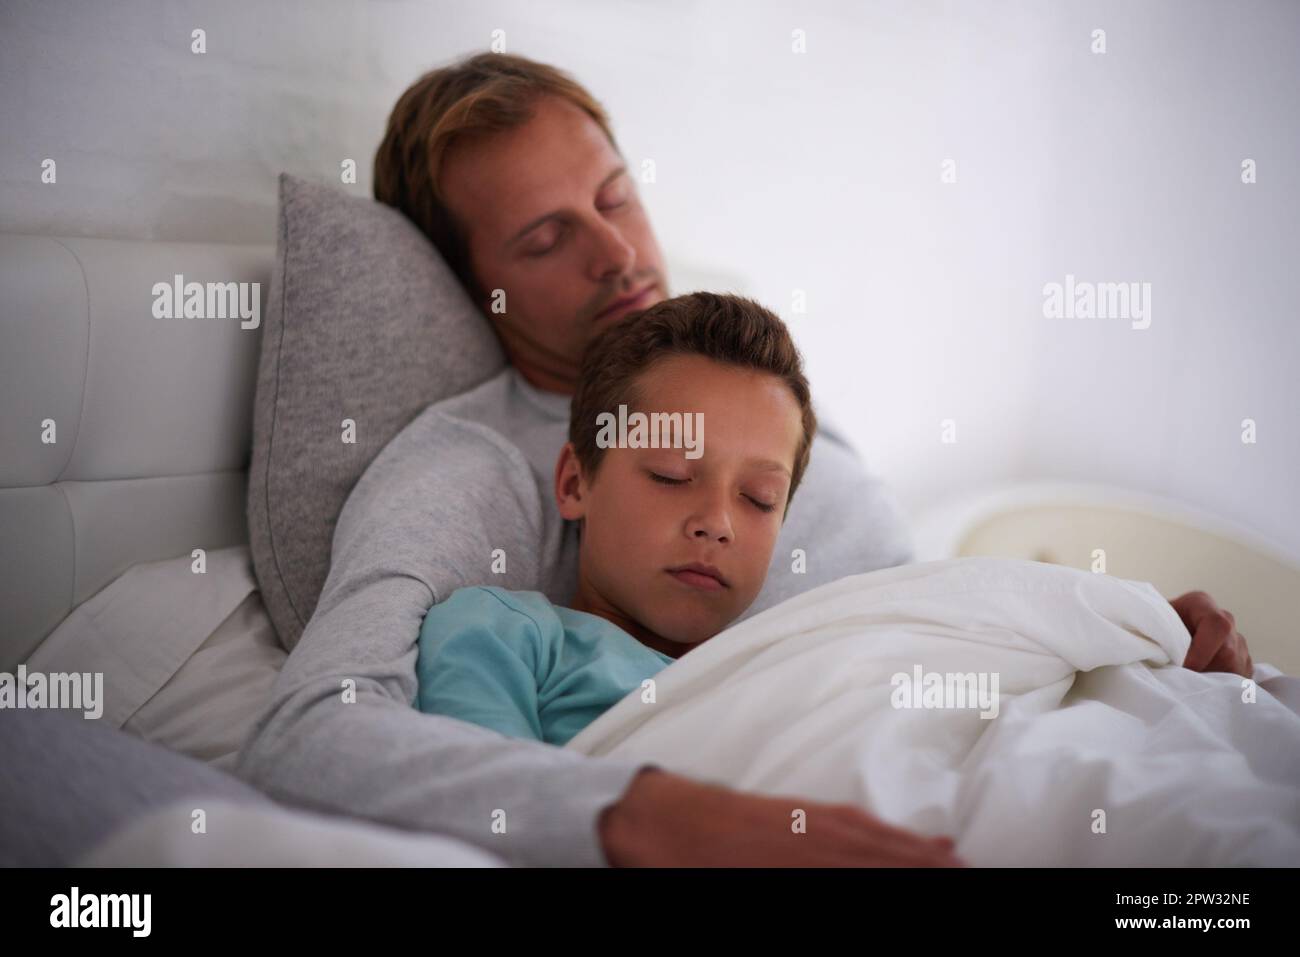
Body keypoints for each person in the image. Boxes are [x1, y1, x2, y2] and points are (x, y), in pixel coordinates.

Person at [236, 52, 1253, 868]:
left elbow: (924, 627)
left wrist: (1112, 635)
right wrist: (637, 816)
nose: (616, 254)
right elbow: (310, 733)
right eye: (546, 238)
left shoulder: (758, 393)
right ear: (470, 286)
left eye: (615, 198)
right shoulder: (467, 471)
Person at [416, 292, 818, 746]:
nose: (717, 523)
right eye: (671, 475)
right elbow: (483, 795)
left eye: (759, 499)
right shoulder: (504, 635)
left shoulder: (796, 678)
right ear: (574, 483)